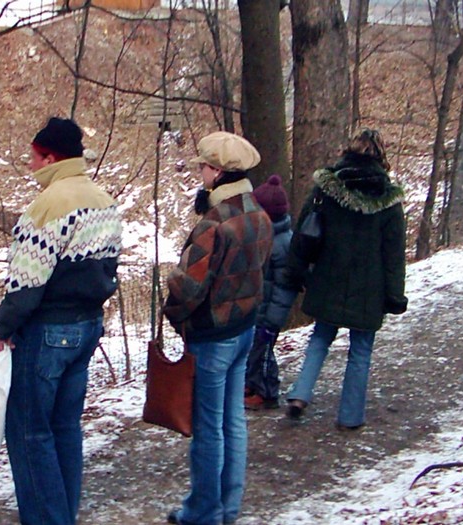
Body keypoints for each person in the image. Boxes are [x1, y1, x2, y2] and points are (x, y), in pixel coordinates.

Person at [0, 117, 122, 525]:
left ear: (49, 157)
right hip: (87, 328)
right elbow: (111, 264)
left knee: (30, 434)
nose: (30, 166)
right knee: (65, 428)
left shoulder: (47, 205)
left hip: (47, 332)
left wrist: (5, 327)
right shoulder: (104, 199)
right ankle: (64, 514)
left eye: (33, 158)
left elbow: (26, 282)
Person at [163, 131, 273, 525]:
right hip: (243, 330)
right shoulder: (258, 213)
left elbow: (188, 286)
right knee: (233, 423)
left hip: (213, 338)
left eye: (204, 167)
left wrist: (172, 312)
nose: (200, 173)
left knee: (209, 430)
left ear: (219, 172)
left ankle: (203, 513)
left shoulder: (214, 223)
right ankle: (227, 508)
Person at [284, 128, 407, 430]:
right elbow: (393, 254)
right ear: (381, 156)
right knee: (361, 350)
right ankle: (350, 416)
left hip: (328, 276)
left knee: (320, 339)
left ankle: (300, 394)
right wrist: (395, 296)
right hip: (370, 288)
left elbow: (304, 232)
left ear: (348, 151)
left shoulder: (327, 189)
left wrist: (296, 269)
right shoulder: (389, 201)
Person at [244, 175, 298, 410]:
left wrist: (272, 321)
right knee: (253, 349)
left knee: (264, 351)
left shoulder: (283, 243)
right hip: (256, 307)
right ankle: (252, 384)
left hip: (269, 313)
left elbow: (285, 287)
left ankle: (267, 393)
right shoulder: (262, 237)